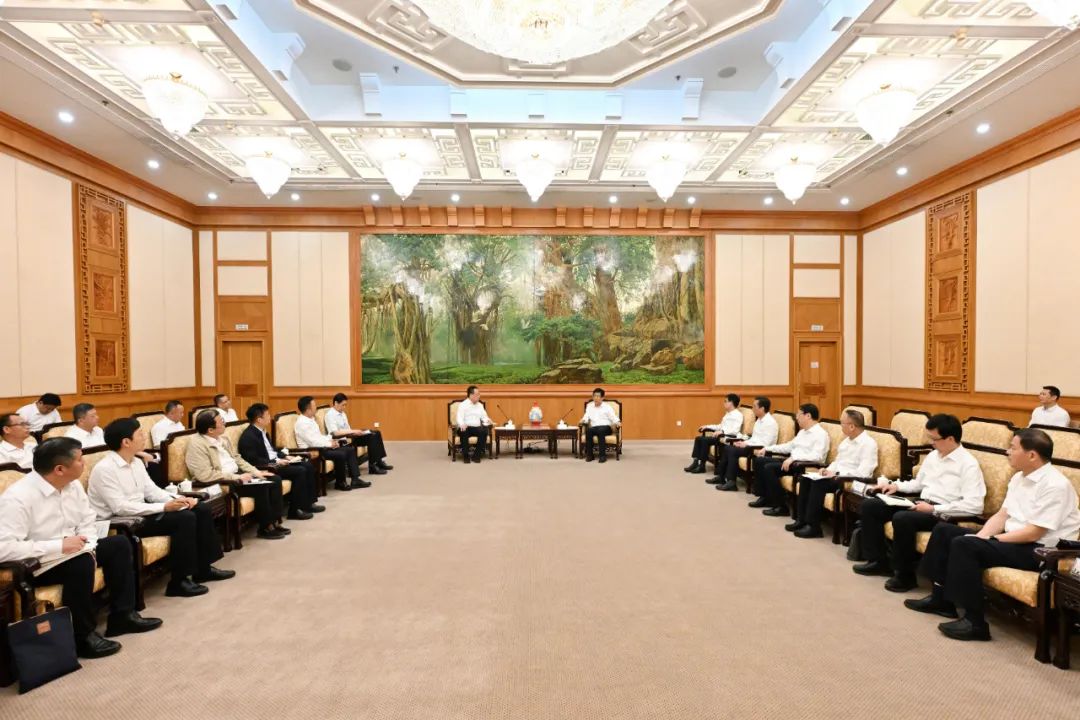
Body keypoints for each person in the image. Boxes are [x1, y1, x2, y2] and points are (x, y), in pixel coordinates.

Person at [906, 429, 1080, 641]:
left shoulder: (1055, 485)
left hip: (1040, 551)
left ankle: (975, 623)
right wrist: (982, 536)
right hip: (1015, 540)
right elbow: (1002, 515)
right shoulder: (1019, 478)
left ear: (1032, 455)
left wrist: (991, 540)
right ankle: (940, 599)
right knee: (945, 531)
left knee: (965, 545)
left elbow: (1033, 533)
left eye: (1013, 448)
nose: (1007, 452)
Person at [0, 438, 162, 658]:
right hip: (38, 563)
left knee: (118, 544)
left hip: (77, 549)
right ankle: (82, 636)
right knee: (80, 563)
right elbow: (5, 548)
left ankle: (123, 616)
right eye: (79, 459)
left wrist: (90, 545)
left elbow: (87, 520)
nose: (85, 463)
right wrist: (59, 546)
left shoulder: (72, 484)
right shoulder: (18, 498)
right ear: (59, 469)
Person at [88, 418, 235, 598]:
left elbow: (152, 491)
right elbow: (120, 508)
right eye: (140, 434)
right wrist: (164, 507)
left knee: (200, 508)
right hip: (122, 522)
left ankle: (203, 569)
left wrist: (180, 499)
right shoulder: (105, 469)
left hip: (142, 513)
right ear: (126, 442)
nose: (144, 437)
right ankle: (179, 582)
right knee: (184, 519)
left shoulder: (135, 462)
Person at [852, 413, 986, 592]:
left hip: (943, 513)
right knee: (871, 505)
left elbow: (974, 505)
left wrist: (934, 509)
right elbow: (919, 484)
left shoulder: (968, 464)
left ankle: (904, 575)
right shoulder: (933, 456)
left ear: (950, 439)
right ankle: (878, 561)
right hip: (921, 503)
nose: (931, 443)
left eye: (934, 439)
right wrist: (895, 486)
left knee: (903, 518)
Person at [186, 410, 288, 540]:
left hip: (238, 475)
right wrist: (237, 477)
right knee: (262, 487)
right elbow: (205, 475)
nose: (224, 423)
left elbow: (237, 459)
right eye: (221, 421)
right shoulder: (197, 445)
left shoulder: (222, 438)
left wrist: (256, 472)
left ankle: (275, 521)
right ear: (210, 430)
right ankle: (266, 527)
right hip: (225, 483)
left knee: (274, 479)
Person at [787, 409, 878, 539]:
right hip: (836, 476)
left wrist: (837, 473)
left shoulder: (868, 444)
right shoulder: (847, 441)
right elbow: (837, 461)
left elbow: (863, 472)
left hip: (850, 481)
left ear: (852, 426)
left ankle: (814, 527)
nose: (841, 426)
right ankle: (801, 520)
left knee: (818, 484)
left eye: (842, 423)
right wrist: (827, 470)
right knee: (806, 479)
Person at [238, 403, 324, 519]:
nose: (270, 417)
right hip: (269, 467)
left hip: (276, 462)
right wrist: (275, 462)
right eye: (267, 415)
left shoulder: (263, 431)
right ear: (259, 419)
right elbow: (253, 460)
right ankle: (295, 510)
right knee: (300, 471)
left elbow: (272, 450)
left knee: (307, 465)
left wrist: (285, 456)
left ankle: (308, 503)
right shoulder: (249, 437)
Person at [748, 404, 829, 517]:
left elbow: (817, 456)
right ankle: (765, 497)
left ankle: (781, 506)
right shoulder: (802, 432)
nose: (797, 417)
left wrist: (794, 458)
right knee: (760, 461)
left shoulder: (820, 434)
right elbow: (789, 446)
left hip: (805, 466)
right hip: (792, 462)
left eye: (799, 414)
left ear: (808, 416)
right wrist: (767, 448)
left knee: (769, 468)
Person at [295, 396, 367, 490]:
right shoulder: (302, 423)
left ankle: (355, 479)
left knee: (349, 450)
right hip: (313, 451)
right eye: (314, 405)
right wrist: (329, 444)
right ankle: (340, 483)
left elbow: (319, 437)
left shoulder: (310, 419)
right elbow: (313, 442)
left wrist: (331, 440)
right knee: (340, 454)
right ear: (308, 409)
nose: (316, 407)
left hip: (321, 447)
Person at [713, 397, 779, 491]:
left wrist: (747, 445)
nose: (753, 409)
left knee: (731, 450)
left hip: (760, 451)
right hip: (752, 447)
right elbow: (754, 438)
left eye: (754, 406)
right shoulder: (759, 420)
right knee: (729, 448)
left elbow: (765, 443)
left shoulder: (770, 423)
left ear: (762, 408)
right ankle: (722, 477)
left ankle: (731, 481)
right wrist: (743, 442)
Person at [324, 393, 392, 475]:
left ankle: (379, 462)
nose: (344, 407)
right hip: (342, 440)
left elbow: (347, 428)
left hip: (350, 436)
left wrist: (357, 432)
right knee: (371, 437)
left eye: (345, 405)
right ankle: (372, 467)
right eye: (343, 405)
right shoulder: (330, 415)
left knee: (375, 433)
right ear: (335, 403)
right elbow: (335, 433)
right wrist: (352, 431)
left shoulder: (342, 413)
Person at [686, 393, 742, 475]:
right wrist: (707, 426)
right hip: (720, 436)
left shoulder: (738, 415)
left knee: (704, 440)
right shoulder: (728, 414)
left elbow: (735, 430)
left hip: (726, 438)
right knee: (698, 438)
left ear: (731, 403)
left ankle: (702, 466)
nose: (724, 403)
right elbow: (720, 426)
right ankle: (695, 462)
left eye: (725, 401)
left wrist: (722, 432)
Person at [580, 388, 621, 463]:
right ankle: (590, 455)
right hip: (594, 427)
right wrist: (583, 420)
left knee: (601, 431)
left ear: (602, 397)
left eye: (598, 396)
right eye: (594, 396)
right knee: (588, 431)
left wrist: (617, 422)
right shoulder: (590, 406)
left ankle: (602, 456)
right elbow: (586, 417)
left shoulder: (607, 407)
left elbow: (613, 416)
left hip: (606, 427)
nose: (596, 398)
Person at [456, 385, 493, 464]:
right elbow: (459, 417)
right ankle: (466, 456)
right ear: (471, 395)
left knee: (484, 431)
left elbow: (484, 417)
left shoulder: (480, 405)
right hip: (466, 427)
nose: (479, 396)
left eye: (479, 394)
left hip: (476, 427)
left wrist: (488, 420)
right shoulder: (463, 405)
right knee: (464, 431)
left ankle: (476, 455)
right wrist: (462, 424)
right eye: (477, 394)